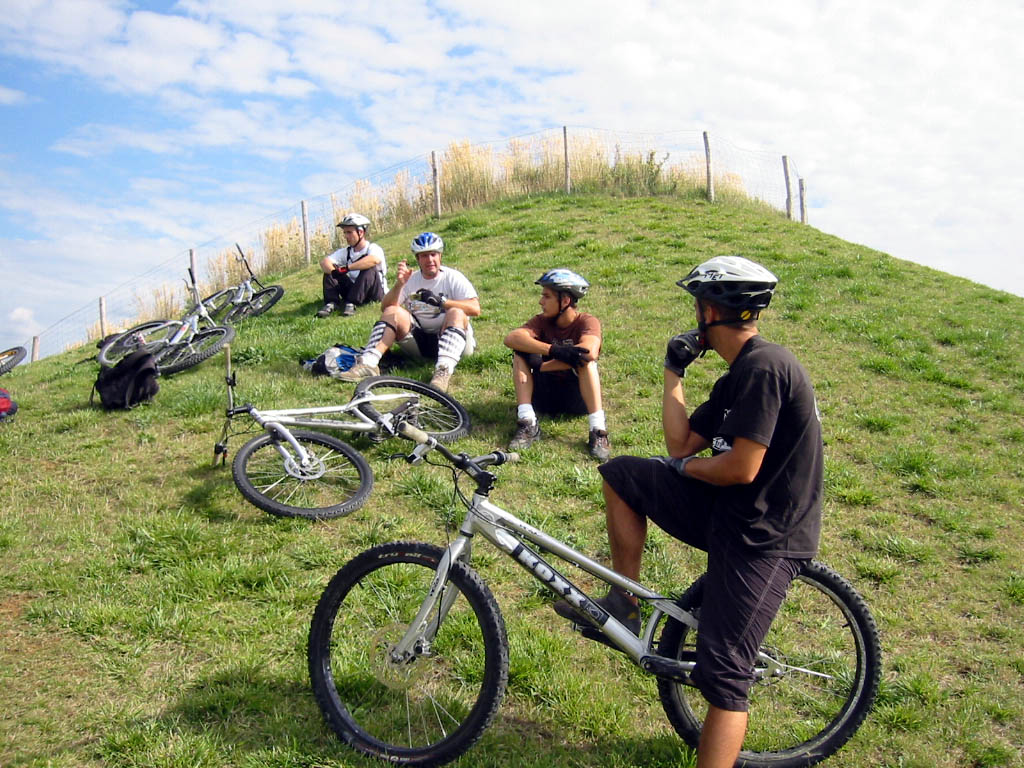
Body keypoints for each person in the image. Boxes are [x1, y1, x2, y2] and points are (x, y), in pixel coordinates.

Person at [553, 255, 823, 768]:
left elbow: (740, 467)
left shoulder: (766, 368)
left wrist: (687, 469)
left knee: (723, 676)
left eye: (696, 304)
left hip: (764, 534)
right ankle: (624, 604)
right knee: (624, 475)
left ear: (710, 311)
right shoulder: (736, 376)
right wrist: (673, 371)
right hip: (727, 509)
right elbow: (679, 445)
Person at [338, 232, 480, 392]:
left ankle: (443, 371)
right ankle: (368, 363)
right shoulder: (411, 279)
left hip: (456, 342)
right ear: (417, 259)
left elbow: (475, 308)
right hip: (420, 342)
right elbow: (386, 308)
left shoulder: (453, 277)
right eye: (424, 256)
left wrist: (443, 302)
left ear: (440, 255)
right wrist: (399, 285)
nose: (430, 260)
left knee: (456, 312)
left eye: (433, 254)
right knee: (393, 311)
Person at [503, 269, 611, 461]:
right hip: (543, 396)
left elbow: (588, 352)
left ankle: (598, 430)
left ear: (565, 300)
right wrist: (554, 350)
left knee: (586, 362)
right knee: (520, 352)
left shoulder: (587, 321)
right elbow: (512, 338)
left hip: (576, 398)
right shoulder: (540, 321)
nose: (541, 302)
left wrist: (543, 366)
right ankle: (528, 422)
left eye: (547, 296)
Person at [316, 213, 387, 317]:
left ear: (361, 232)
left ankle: (352, 303)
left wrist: (347, 268)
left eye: (349, 232)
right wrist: (334, 272)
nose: (346, 236)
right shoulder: (346, 252)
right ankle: (332, 303)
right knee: (331, 270)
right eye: (345, 233)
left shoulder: (373, 248)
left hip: (374, 292)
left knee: (369, 268)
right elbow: (324, 262)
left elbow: (373, 260)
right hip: (354, 290)